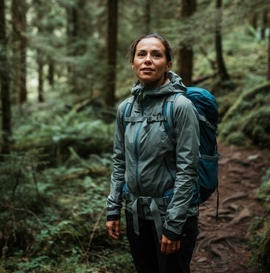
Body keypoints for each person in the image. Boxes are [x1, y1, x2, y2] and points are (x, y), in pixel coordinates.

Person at [106, 33, 200, 273]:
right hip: (135, 215)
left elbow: (187, 170)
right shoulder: (125, 109)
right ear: (133, 63)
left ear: (168, 65)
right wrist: (113, 208)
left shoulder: (181, 107)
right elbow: (119, 162)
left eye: (156, 55)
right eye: (142, 54)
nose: (147, 60)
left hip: (172, 214)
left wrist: (174, 225)